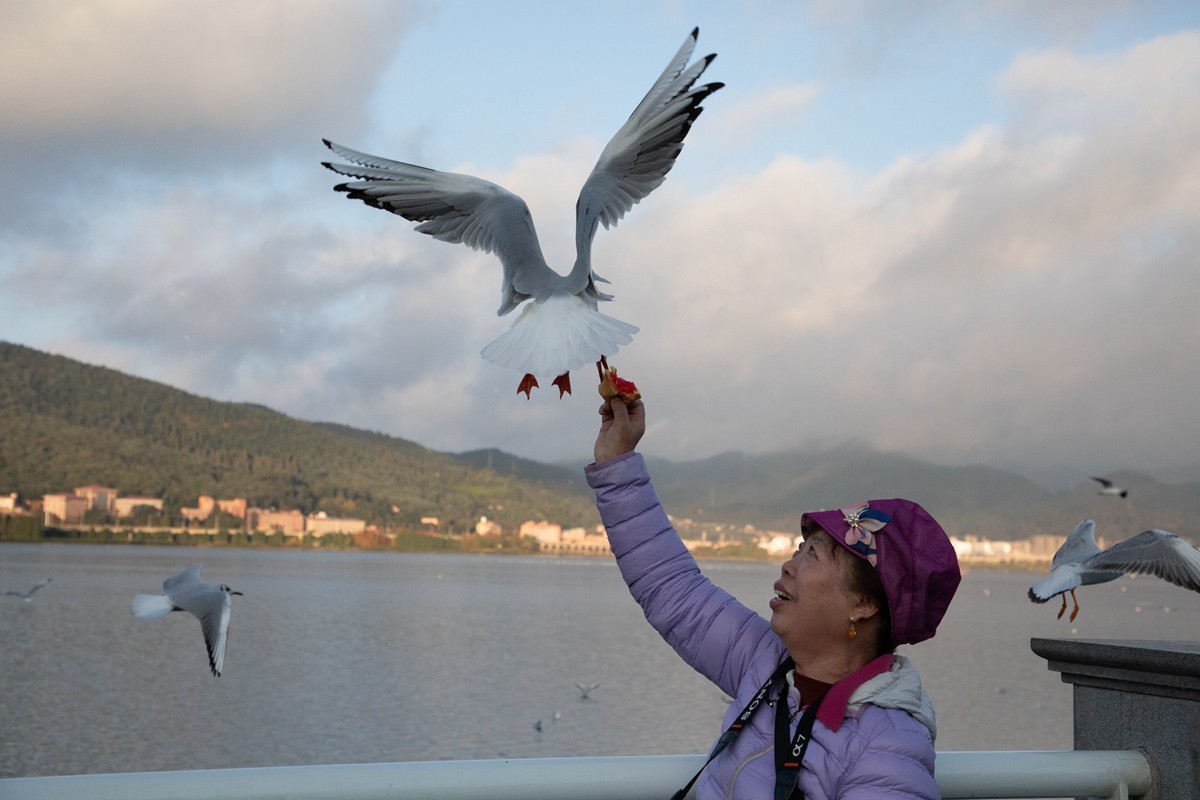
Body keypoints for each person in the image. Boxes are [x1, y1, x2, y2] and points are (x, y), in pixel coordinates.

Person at [586, 397, 961, 800]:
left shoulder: (888, 745)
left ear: (863, 605)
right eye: (799, 549)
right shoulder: (765, 664)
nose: (788, 565)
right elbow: (671, 587)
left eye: (813, 555)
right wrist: (617, 463)